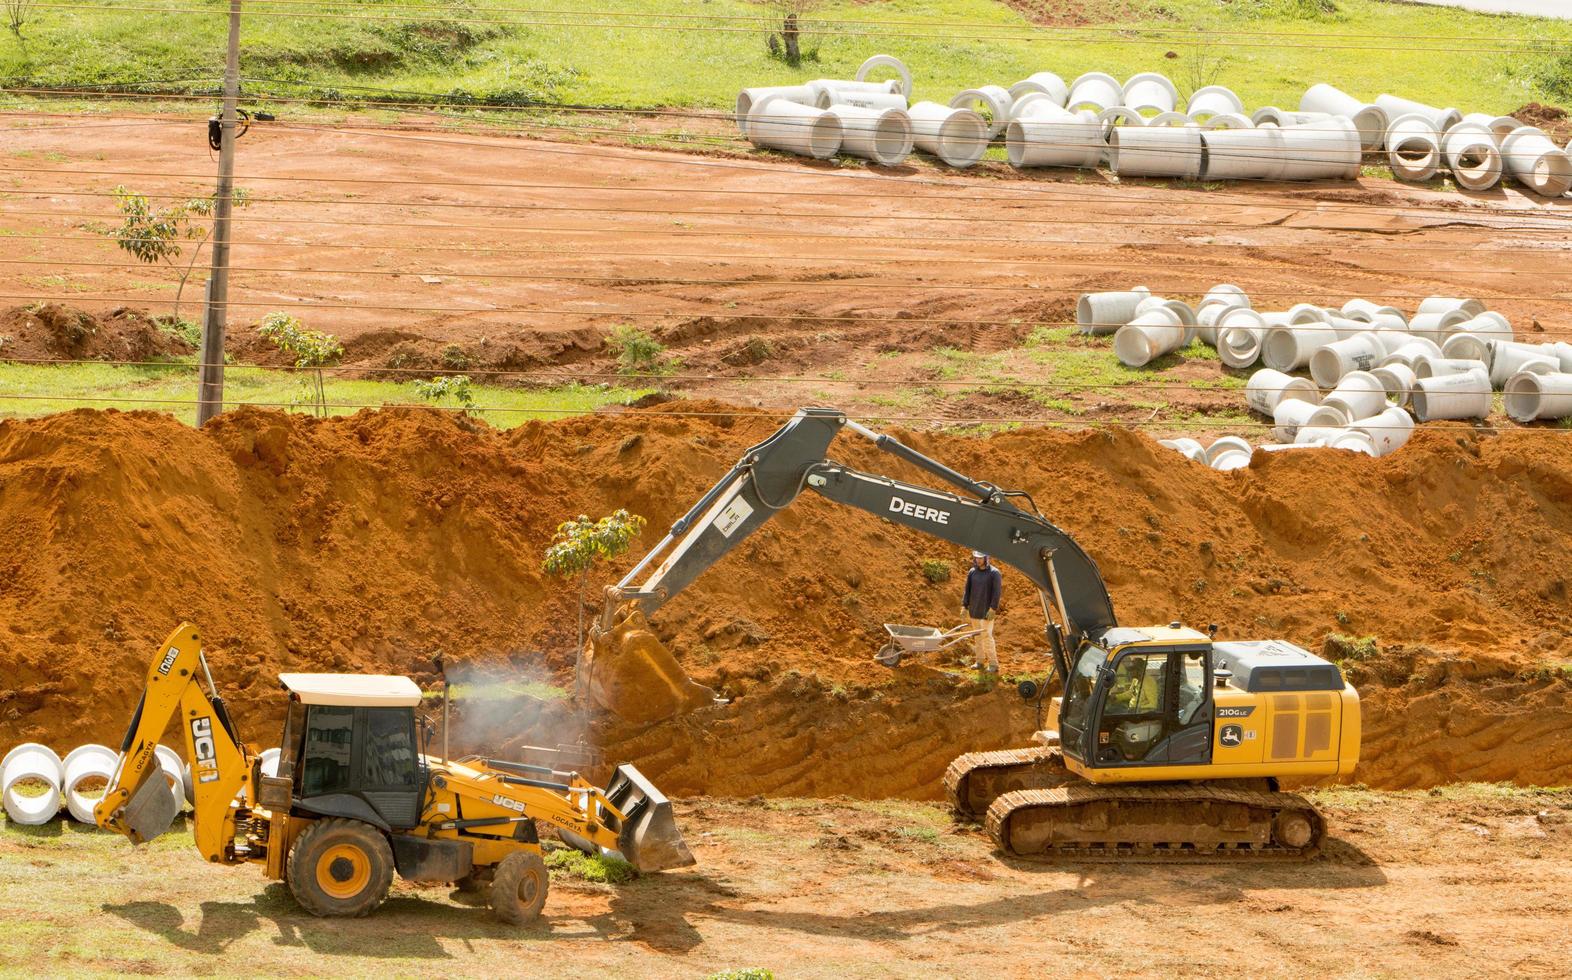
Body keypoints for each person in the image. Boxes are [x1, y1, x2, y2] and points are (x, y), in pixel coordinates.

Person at [961, 551, 1002, 673]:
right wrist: (964, 606)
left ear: (986, 558)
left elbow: (997, 593)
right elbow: (967, 590)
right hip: (974, 610)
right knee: (977, 637)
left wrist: (993, 608)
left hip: (986, 611)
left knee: (986, 636)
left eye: (980, 558)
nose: (978, 560)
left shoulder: (994, 573)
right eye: (976, 558)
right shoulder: (972, 572)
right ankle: (979, 661)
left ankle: (993, 664)